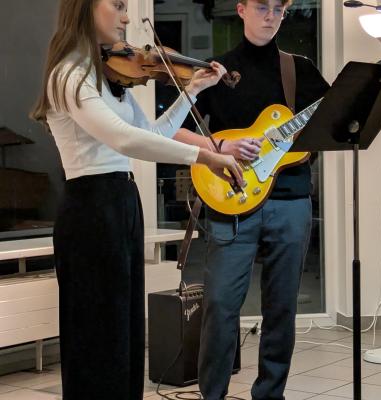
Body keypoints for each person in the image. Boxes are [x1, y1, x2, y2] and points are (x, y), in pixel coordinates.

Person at [31, 0, 243, 399]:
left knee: (125, 328)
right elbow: (124, 139)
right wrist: (205, 155)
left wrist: (192, 91)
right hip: (91, 207)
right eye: (118, 5)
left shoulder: (108, 76)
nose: (127, 17)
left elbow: (153, 135)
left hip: (122, 200)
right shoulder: (68, 74)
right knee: (97, 332)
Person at [176, 1, 330, 399]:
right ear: (241, 9)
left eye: (278, 9)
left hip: (291, 199)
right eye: (262, 6)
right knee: (220, 305)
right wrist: (220, 144)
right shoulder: (217, 70)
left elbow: (332, 121)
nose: (270, 16)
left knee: (281, 308)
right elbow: (173, 130)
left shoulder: (300, 70)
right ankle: (212, 394)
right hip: (230, 199)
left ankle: (270, 394)